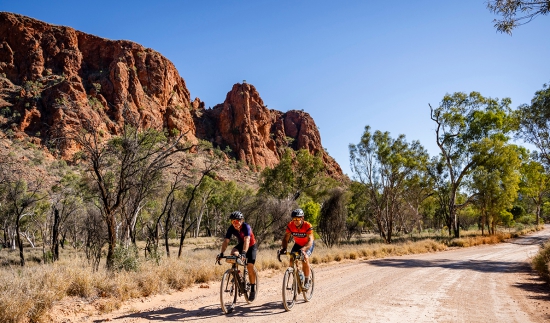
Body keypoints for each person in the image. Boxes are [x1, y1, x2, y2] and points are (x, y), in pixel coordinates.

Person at [217, 211, 258, 301]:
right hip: (241, 244)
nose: (235, 224)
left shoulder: (246, 227)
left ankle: (252, 289)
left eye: (237, 221)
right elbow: (226, 241)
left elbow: (247, 240)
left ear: (241, 220)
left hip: (251, 246)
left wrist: (243, 252)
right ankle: (237, 272)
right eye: (233, 222)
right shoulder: (231, 228)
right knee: (233, 252)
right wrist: (221, 253)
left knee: (250, 266)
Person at [280, 208, 314, 290]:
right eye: (294, 218)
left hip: (307, 245)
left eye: (298, 218)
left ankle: (306, 280)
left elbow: (310, 240)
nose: (295, 220)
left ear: (302, 218)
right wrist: (284, 248)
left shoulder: (308, 225)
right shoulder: (290, 225)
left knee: (305, 258)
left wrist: (304, 249)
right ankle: (297, 276)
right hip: (298, 244)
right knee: (292, 259)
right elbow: (285, 239)